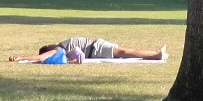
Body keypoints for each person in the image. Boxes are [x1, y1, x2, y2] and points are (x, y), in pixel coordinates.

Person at [10, 36, 167, 62]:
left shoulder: (61, 47)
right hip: (97, 49)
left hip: (97, 45)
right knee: (128, 52)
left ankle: (155, 53)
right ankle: (156, 55)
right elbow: (40, 58)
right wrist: (22, 57)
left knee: (128, 51)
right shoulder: (57, 50)